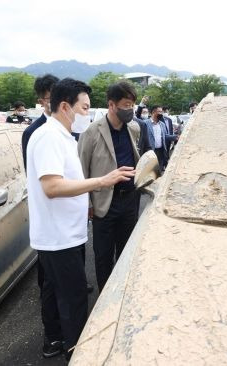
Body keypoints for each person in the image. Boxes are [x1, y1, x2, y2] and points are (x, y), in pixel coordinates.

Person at [26, 77, 135, 362]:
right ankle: (77, 354)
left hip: (62, 234)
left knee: (56, 293)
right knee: (74, 300)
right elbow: (52, 187)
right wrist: (101, 181)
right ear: (65, 106)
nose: (88, 114)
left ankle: (56, 341)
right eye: (85, 108)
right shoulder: (50, 136)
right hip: (59, 237)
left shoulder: (59, 135)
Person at [78, 81, 143, 292]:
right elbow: (81, 170)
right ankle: (105, 298)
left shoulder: (134, 128)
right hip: (104, 203)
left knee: (126, 252)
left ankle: (123, 293)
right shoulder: (92, 132)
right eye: (125, 104)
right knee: (103, 255)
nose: (129, 109)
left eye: (132, 104)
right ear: (111, 105)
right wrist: (87, 203)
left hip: (129, 201)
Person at [22, 74, 59, 171]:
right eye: (51, 98)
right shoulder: (31, 132)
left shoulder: (72, 129)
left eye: (59, 96)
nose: (58, 101)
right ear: (41, 102)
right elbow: (30, 170)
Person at [144, 105, 177, 170]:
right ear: (153, 112)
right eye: (159, 112)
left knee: (159, 169)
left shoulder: (162, 124)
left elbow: (165, 136)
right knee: (151, 170)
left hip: (161, 151)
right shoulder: (145, 123)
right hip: (150, 151)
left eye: (161, 112)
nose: (161, 113)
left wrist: (175, 137)